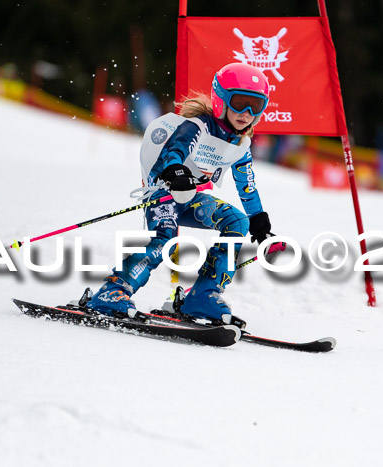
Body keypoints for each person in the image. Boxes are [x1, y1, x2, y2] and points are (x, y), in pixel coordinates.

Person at [85, 63, 279, 328]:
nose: (246, 113)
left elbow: (247, 185)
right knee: (164, 239)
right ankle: (113, 291)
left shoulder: (241, 145)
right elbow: (175, 149)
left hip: (190, 198)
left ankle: (203, 295)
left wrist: (258, 219)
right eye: (240, 103)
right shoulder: (198, 125)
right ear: (221, 99)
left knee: (237, 222)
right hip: (163, 193)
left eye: (255, 106)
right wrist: (175, 172)